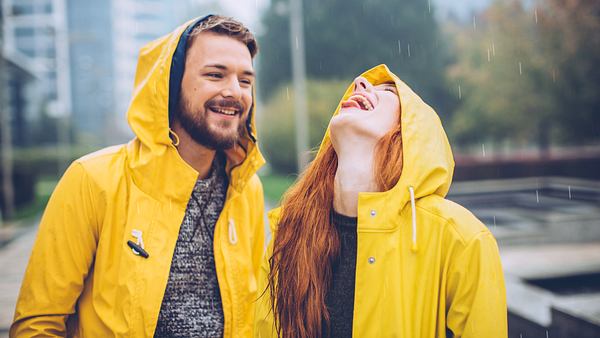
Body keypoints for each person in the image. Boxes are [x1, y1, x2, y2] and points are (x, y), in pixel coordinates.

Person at [11, 15, 266, 337]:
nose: (235, 92)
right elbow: (37, 325)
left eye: (245, 81)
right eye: (215, 75)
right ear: (170, 86)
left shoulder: (247, 188)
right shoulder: (92, 179)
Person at [254, 64, 507, 338]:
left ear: (409, 130)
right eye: (361, 85)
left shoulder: (462, 238)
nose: (359, 83)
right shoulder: (289, 235)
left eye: (387, 90)